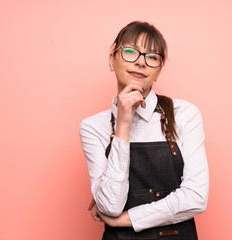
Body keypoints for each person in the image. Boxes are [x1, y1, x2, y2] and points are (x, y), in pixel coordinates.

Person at [80, 21, 209, 239]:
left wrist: (124, 219)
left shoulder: (184, 114)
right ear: (112, 60)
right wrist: (123, 125)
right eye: (130, 51)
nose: (140, 62)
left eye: (151, 57)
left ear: (159, 70)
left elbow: (195, 197)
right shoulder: (92, 127)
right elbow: (110, 206)